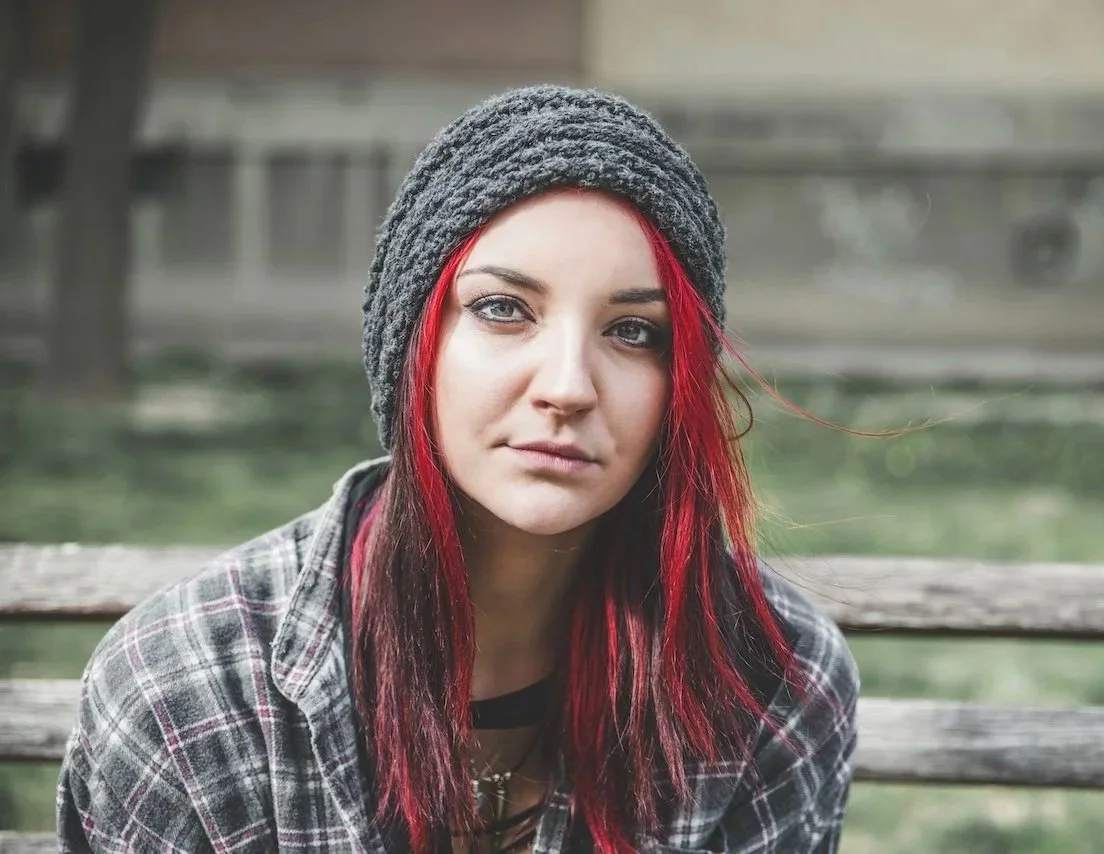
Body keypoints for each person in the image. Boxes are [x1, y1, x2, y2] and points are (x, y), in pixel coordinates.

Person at [55, 85, 859, 853]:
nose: (569, 387)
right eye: (504, 309)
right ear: (414, 349)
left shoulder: (769, 680)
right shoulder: (187, 690)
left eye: (633, 331)